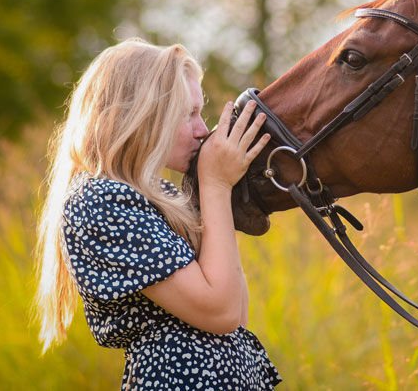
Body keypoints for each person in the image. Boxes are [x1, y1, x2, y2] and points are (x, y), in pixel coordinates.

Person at [34, 38, 281, 389]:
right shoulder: (102, 201)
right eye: (187, 115)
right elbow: (222, 312)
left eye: (201, 113)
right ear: (137, 115)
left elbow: (237, 314)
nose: (202, 130)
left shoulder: (158, 195)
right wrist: (215, 185)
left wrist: (216, 190)